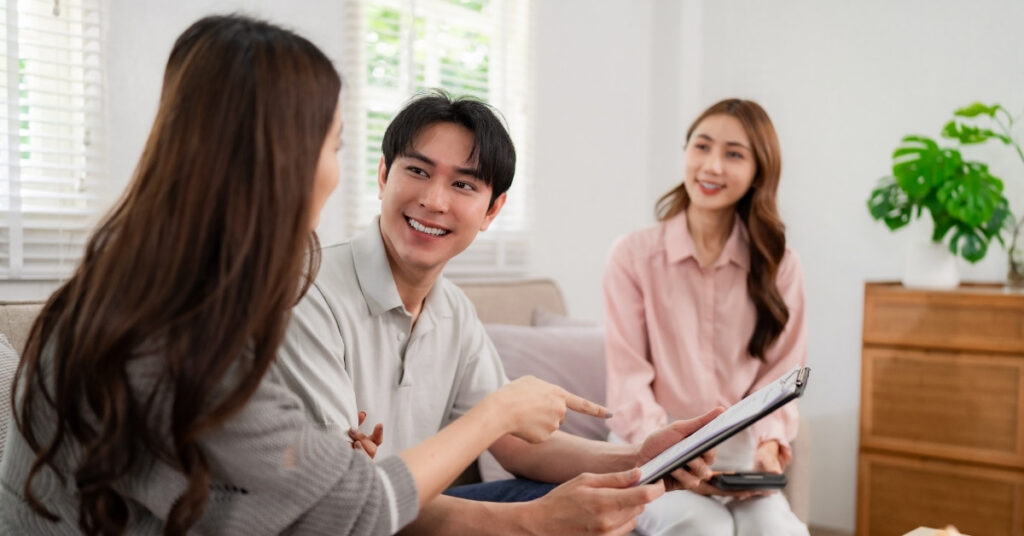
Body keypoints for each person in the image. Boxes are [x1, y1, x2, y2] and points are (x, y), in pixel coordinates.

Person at [0, 15, 604, 535]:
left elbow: (282, 477)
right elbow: (356, 508)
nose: (434, 200)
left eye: (464, 185)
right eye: (333, 145)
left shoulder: (163, 293)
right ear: (279, 159)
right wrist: (495, 415)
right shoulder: (191, 328)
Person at [275, 90, 723, 535]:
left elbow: (515, 444)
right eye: (417, 171)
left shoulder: (453, 311)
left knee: (604, 503)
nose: (434, 200)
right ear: (382, 176)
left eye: (463, 185)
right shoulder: (308, 293)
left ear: (493, 210)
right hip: (338, 523)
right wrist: (531, 523)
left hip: (396, 510)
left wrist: (641, 457)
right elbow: (342, 503)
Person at [603, 98, 810, 536]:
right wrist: (672, 458)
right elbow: (628, 381)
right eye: (702, 147)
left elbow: (782, 374)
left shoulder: (779, 264)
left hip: (739, 462)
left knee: (779, 532)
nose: (712, 166)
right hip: (653, 454)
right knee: (701, 526)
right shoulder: (633, 257)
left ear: (759, 171)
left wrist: (770, 445)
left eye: (734, 154)